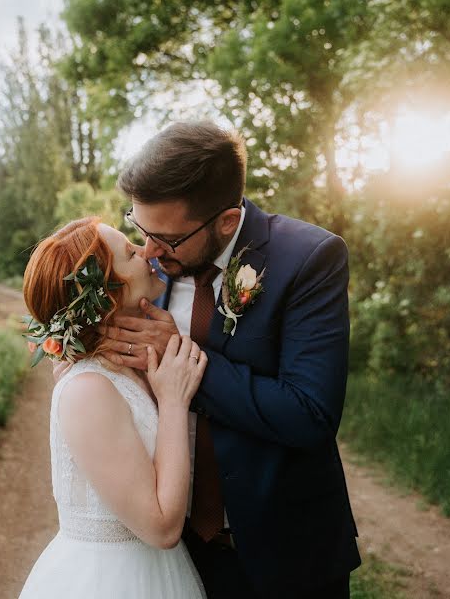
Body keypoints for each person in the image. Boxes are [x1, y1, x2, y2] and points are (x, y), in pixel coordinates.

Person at [98, 121, 362, 598]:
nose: (150, 251)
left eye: (169, 240)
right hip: (171, 560)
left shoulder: (308, 259)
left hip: (284, 555)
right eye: (141, 229)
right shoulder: (148, 269)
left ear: (225, 221)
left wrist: (180, 359)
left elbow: (309, 414)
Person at [18, 217, 207, 598]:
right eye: (129, 252)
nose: (146, 251)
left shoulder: (124, 371)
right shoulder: (88, 389)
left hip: (160, 574)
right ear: (106, 295)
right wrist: (172, 402)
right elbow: (161, 527)